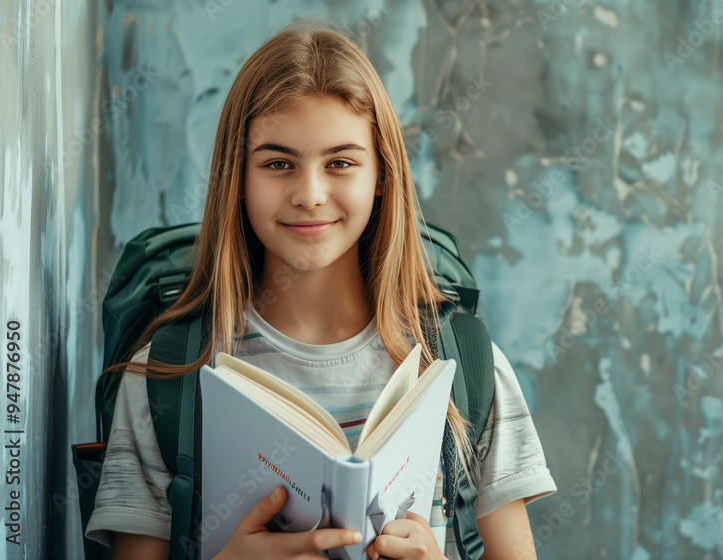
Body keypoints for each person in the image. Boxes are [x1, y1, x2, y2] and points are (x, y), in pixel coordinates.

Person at [84, 19, 556, 560]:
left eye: (340, 163)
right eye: (278, 163)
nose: (310, 194)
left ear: (382, 176)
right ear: (236, 178)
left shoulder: (466, 366)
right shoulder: (166, 379)